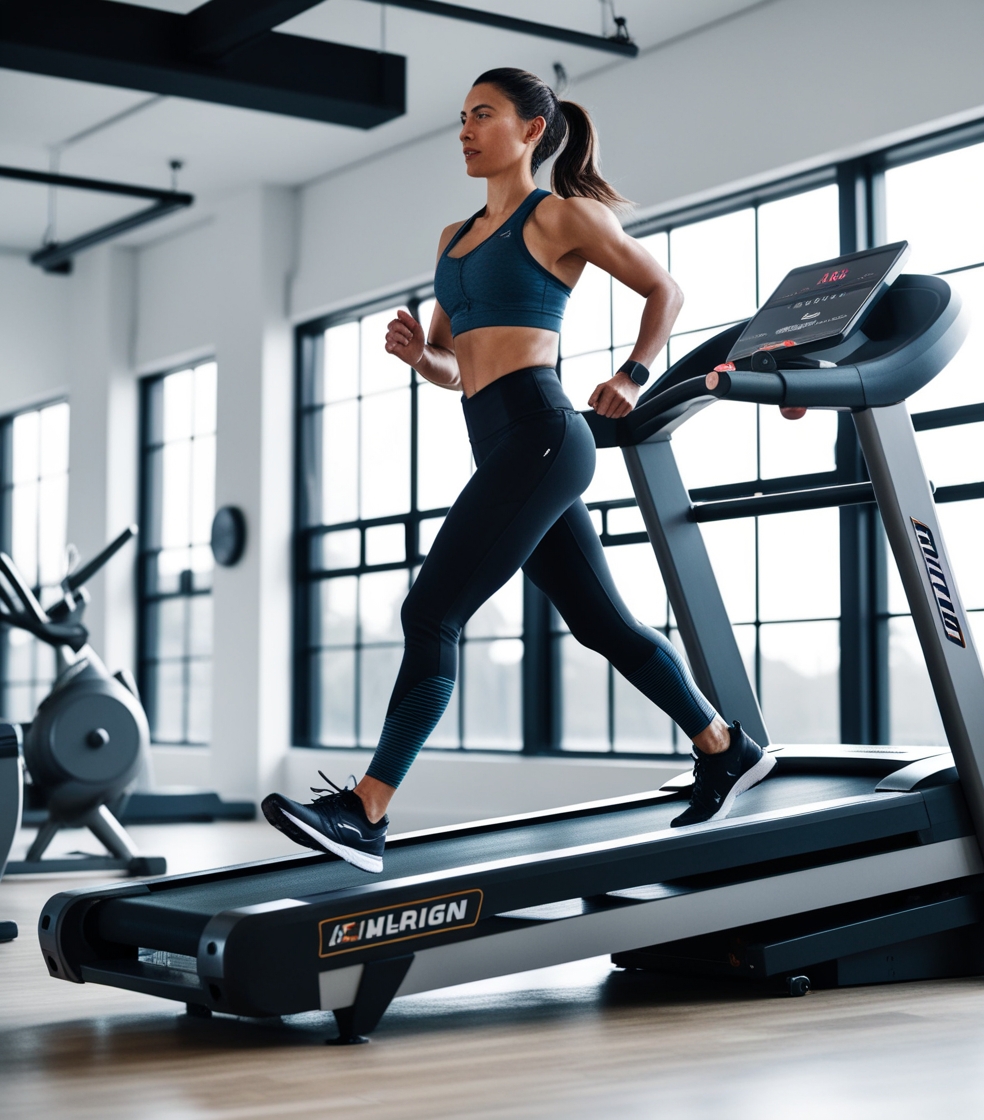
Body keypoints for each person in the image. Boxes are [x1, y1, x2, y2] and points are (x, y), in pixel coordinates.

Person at [263, 68, 774, 873]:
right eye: (462, 118)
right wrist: (416, 354)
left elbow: (663, 289)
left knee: (431, 611)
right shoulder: (453, 238)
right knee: (602, 623)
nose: (465, 130)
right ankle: (724, 745)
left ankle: (368, 809)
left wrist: (634, 374)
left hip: (544, 432)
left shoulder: (560, 216)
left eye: (483, 115)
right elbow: (452, 366)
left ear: (531, 130)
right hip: (500, 438)